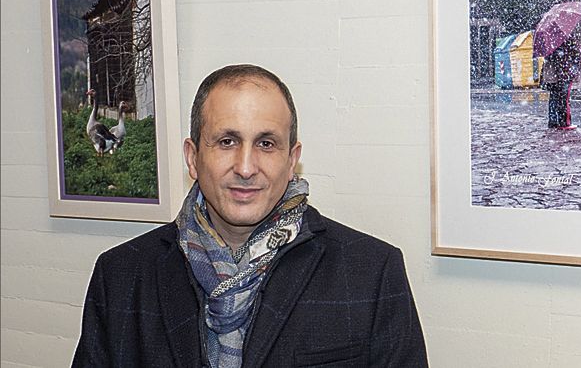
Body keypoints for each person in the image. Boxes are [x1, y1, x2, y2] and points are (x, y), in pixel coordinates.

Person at [73, 64, 428, 367]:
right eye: (227, 141)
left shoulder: (372, 272)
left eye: (266, 143)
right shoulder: (120, 275)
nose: (245, 167)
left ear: (292, 160)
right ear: (193, 157)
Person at [542, 30, 581, 130]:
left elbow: (549, 56)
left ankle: (553, 121)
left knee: (554, 97)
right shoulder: (565, 36)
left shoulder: (548, 38)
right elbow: (574, 53)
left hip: (553, 74)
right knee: (564, 98)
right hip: (563, 72)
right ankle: (564, 123)